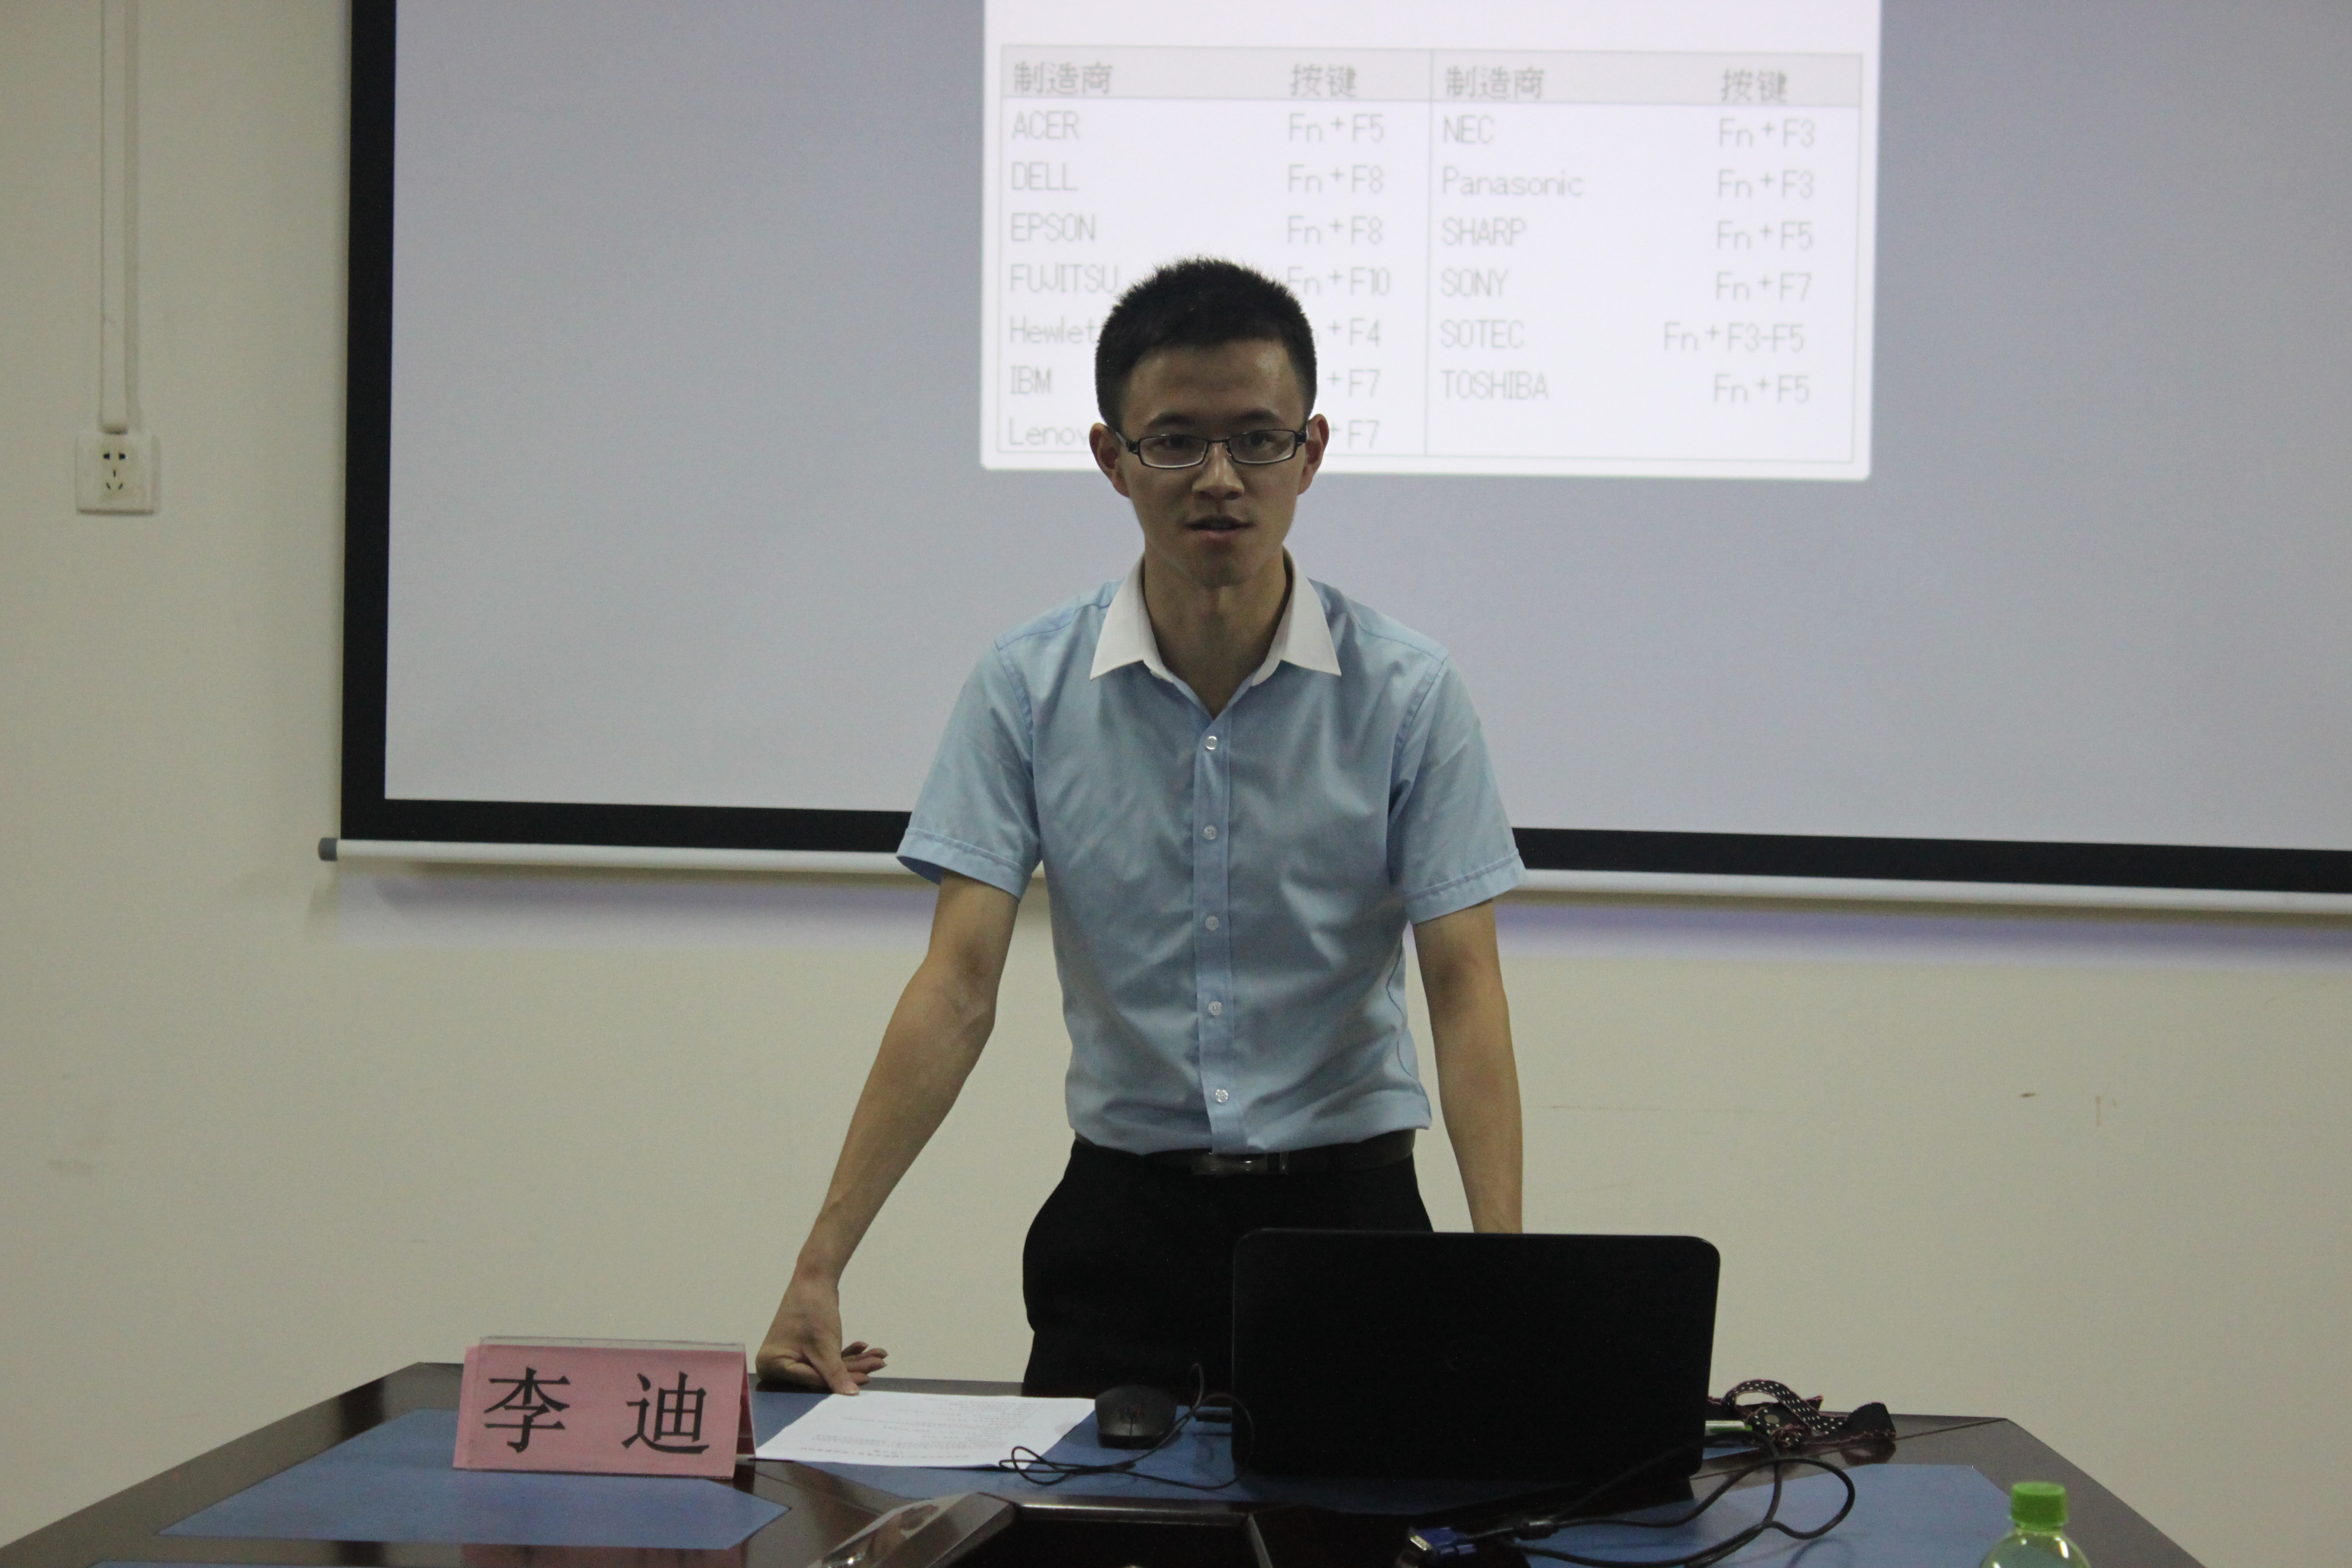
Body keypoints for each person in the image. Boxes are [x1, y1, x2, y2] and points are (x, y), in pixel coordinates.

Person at [758, 257, 1525, 1399]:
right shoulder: (1028, 687)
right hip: (1122, 1228)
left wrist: (1508, 1280)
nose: (1219, 478)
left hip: (1349, 1223)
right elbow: (956, 987)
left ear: (1311, 452)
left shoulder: (1407, 692)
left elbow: (1464, 990)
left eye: (1256, 440)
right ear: (1112, 459)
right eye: (1174, 442)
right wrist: (820, 1263)